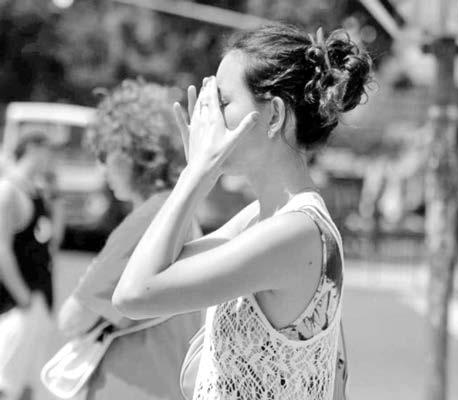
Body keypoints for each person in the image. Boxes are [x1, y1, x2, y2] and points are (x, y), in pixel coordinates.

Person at [113, 24, 371, 399]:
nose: (209, 119)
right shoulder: (263, 219)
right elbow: (158, 269)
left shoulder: (294, 233)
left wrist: (195, 174)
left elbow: (134, 294)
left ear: (274, 115)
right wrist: (197, 173)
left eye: (223, 103)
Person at [58, 79, 201, 400]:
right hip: (167, 382)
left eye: (103, 153)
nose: (101, 167)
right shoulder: (180, 210)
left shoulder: (149, 219)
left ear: (127, 151)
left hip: (129, 386)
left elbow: (72, 318)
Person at [0, 131, 59, 400]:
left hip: (39, 297)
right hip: (18, 303)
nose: (52, 158)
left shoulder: (36, 190)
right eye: (48, 151)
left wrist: (56, 197)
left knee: (28, 385)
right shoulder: (8, 190)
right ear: (33, 149)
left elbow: (53, 240)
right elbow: (1, 248)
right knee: (7, 384)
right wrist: (22, 297)